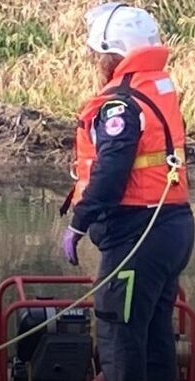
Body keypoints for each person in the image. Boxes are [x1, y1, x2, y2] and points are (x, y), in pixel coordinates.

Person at [60, 3, 193, 381]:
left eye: (97, 54)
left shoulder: (121, 103)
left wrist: (79, 223)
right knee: (153, 336)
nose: (95, 60)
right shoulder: (159, 92)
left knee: (118, 331)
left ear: (111, 53)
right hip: (173, 227)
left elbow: (110, 173)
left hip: (139, 232)